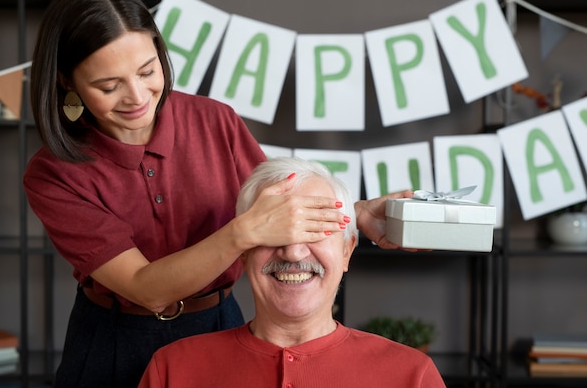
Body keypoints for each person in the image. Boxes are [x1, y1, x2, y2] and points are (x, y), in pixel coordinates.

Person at [23, 0, 413, 388]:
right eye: (108, 85)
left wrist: (356, 213)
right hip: (113, 342)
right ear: (68, 81)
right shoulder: (54, 173)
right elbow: (145, 287)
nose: (137, 96)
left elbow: (276, 209)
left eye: (147, 70)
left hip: (217, 325)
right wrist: (242, 233)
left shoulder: (214, 121)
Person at [138, 157, 445, 388]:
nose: (294, 252)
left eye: (315, 229)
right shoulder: (172, 370)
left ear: (346, 251)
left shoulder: (412, 377)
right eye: (273, 231)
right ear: (242, 253)